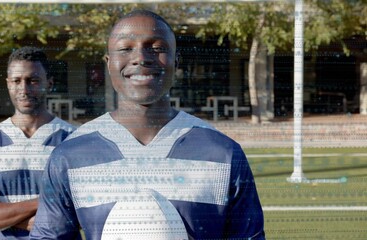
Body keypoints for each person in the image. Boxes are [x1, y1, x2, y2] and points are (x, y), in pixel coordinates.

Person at [30, 10, 265, 240]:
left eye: (158, 48)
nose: (141, 57)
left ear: (176, 61)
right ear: (109, 62)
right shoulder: (69, 155)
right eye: (125, 48)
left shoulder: (222, 152)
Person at [0, 46, 75, 240]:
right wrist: (44, 202)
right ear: (8, 84)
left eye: (33, 81)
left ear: (50, 83)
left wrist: (0, 215)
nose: (24, 89)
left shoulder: (74, 140)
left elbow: (79, 215)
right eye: (16, 81)